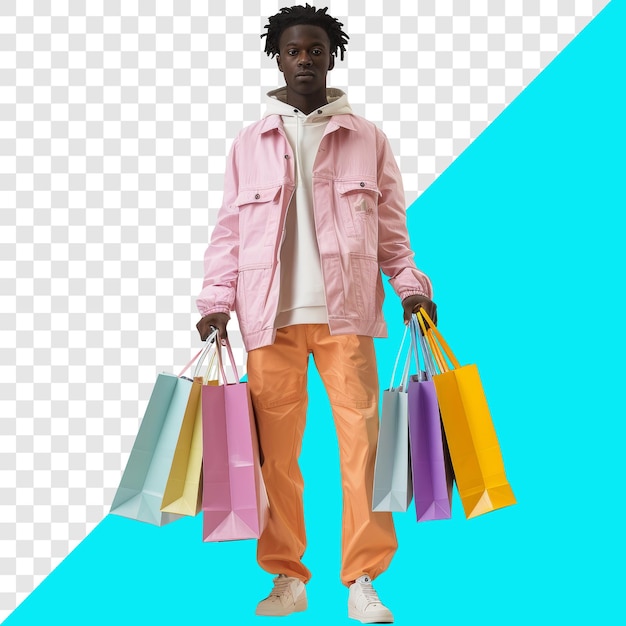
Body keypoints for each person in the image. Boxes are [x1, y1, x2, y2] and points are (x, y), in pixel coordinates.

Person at [196, 5, 436, 622]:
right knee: (275, 457)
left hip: (346, 319)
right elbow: (229, 232)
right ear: (277, 56)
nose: (306, 59)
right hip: (266, 321)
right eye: (294, 50)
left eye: (316, 49)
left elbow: (391, 231)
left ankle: (362, 579)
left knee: (363, 449)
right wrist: (216, 302)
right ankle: (286, 578)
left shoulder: (366, 137)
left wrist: (411, 287)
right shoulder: (250, 142)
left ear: (333, 56)